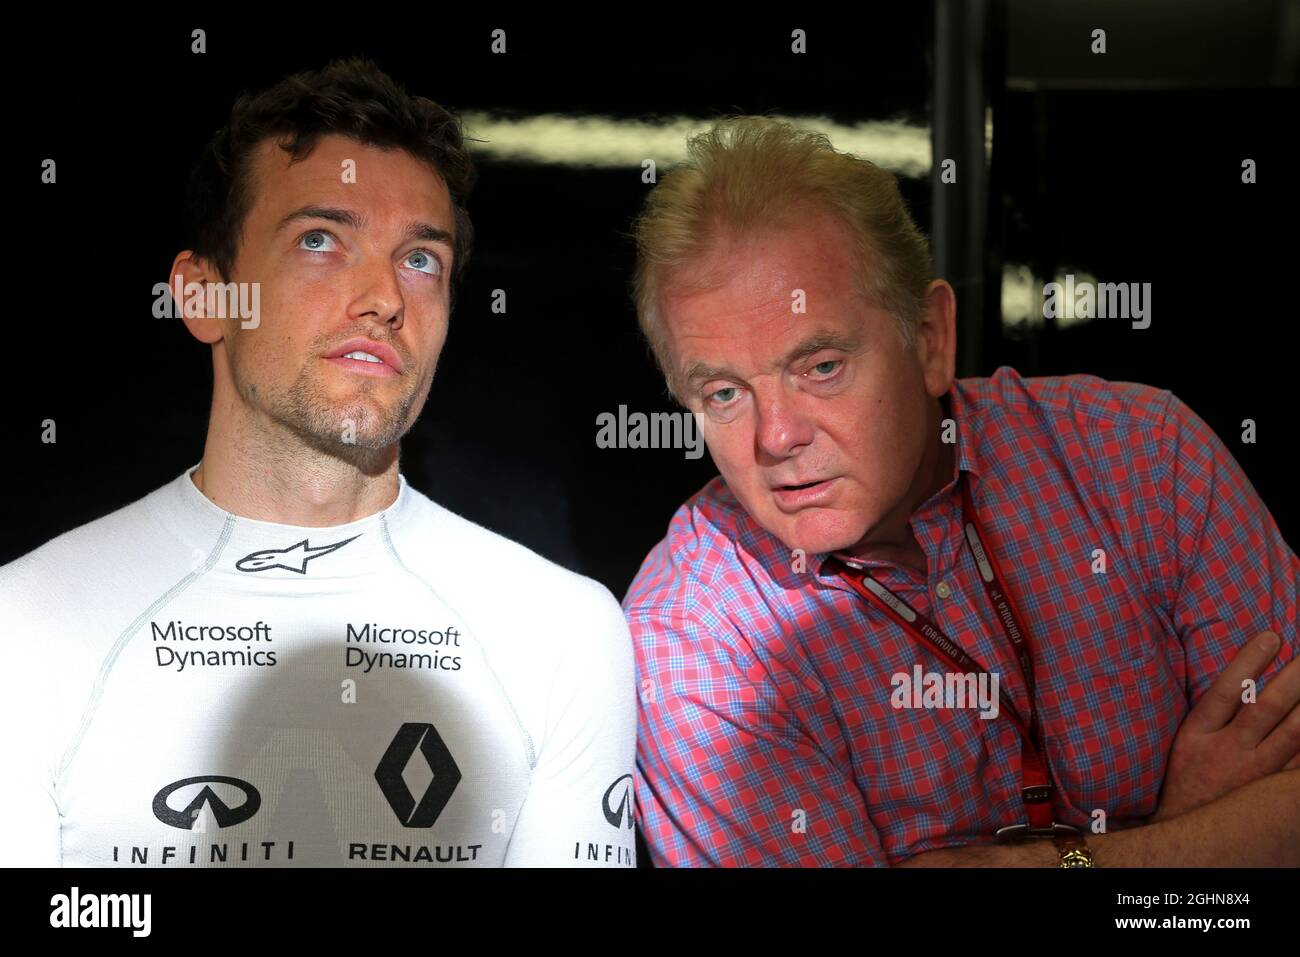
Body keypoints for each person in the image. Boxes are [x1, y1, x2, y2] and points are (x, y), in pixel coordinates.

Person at [0, 59, 636, 868]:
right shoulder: (22, 629)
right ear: (205, 297)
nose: (383, 296)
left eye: (420, 259)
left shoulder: (565, 634)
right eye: (320, 240)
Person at [624, 116, 1300, 867]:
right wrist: (1199, 840)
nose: (775, 438)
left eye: (820, 368)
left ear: (931, 338)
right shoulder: (691, 640)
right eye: (723, 392)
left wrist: (1046, 864)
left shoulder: (1143, 456)